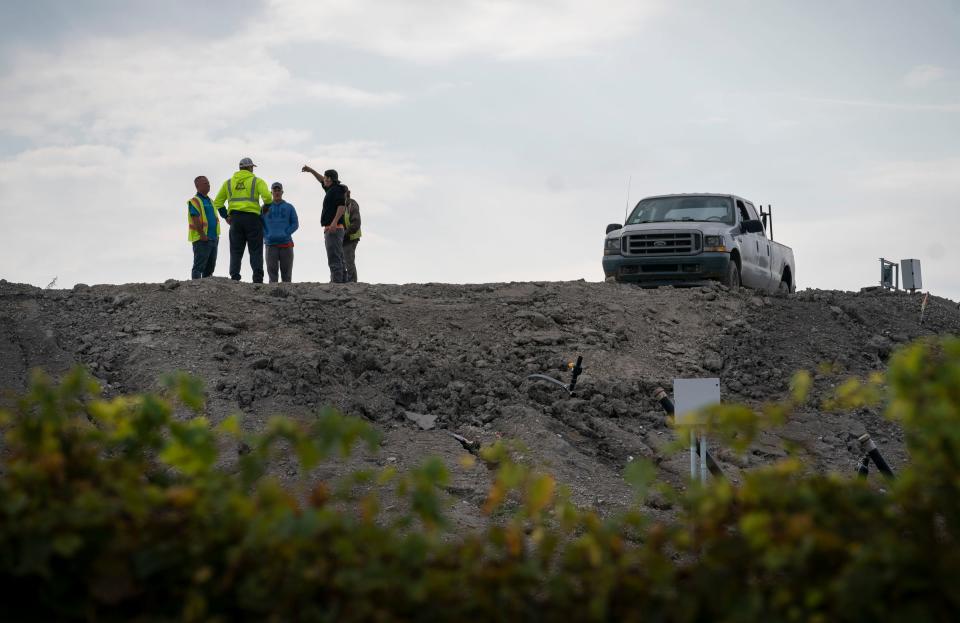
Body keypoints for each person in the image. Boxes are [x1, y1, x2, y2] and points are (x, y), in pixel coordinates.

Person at [213, 157, 272, 283]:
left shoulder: (228, 183)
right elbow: (267, 197)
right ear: (250, 167)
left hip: (235, 220)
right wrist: (265, 208)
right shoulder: (257, 181)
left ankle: (235, 277)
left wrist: (226, 216)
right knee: (255, 250)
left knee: (235, 250)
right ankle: (257, 278)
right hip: (253, 219)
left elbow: (217, 202)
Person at [301, 165, 347, 283]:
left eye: (326, 178)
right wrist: (311, 171)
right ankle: (342, 283)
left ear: (330, 179)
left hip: (334, 229)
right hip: (334, 228)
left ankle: (336, 284)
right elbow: (321, 179)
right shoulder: (331, 189)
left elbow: (341, 207)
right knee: (339, 257)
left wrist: (334, 223)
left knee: (334, 257)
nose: (324, 180)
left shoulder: (336, 190)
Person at [262, 181, 299, 283]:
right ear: (271, 192)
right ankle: (272, 298)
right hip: (270, 244)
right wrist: (266, 235)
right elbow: (259, 224)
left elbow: (295, 224)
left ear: (282, 192)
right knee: (272, 275)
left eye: (279, 190)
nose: (277, 192)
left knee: (287, 276)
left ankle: (288, 298)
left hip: (286, 244)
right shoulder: (264, 207)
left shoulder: (289, 207)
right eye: (275, 190)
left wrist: (286, 233)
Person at [187, 175, 220, 279]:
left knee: (210, 267)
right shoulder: (195, 201)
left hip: (213, 238)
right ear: (197, 186)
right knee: (199, 266)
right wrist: (202, 234)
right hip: (202, 239)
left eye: (208, 182)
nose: (208, 184)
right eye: (205, 183)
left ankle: (207, 289)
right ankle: (196, 288)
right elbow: (195, 217)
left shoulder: (210, 200)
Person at [341, 188, 362, 282]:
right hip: (343, 238)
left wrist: (344, 234)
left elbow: (356, 223)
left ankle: (352, 282)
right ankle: (343, 281)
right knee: (342, 261)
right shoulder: (341, 205)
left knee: (348, 260)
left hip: (351, 237)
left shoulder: (352, 204)